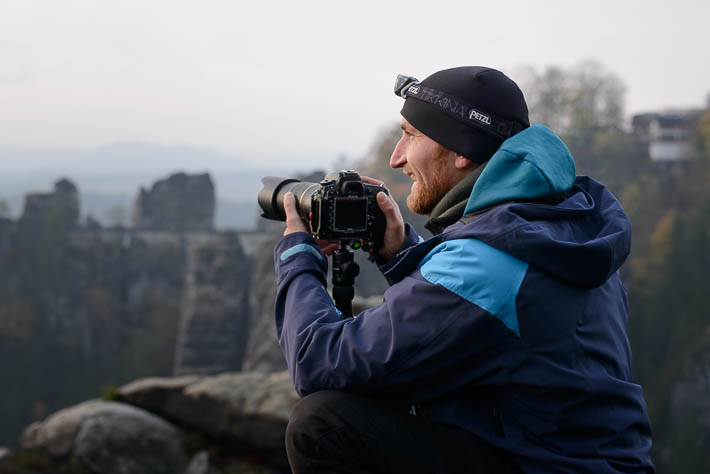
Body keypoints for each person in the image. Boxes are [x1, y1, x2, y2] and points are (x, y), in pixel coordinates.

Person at [273, 66, 655, 473]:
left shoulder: (490, 263)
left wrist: (297, 257)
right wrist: (401, 254)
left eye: (410, 135)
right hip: (567, 457)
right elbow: (480, 322)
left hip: (537, 464)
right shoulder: (561, 227)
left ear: (462, 152)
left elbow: (318, 363)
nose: (396, 157)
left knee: (321, 424)